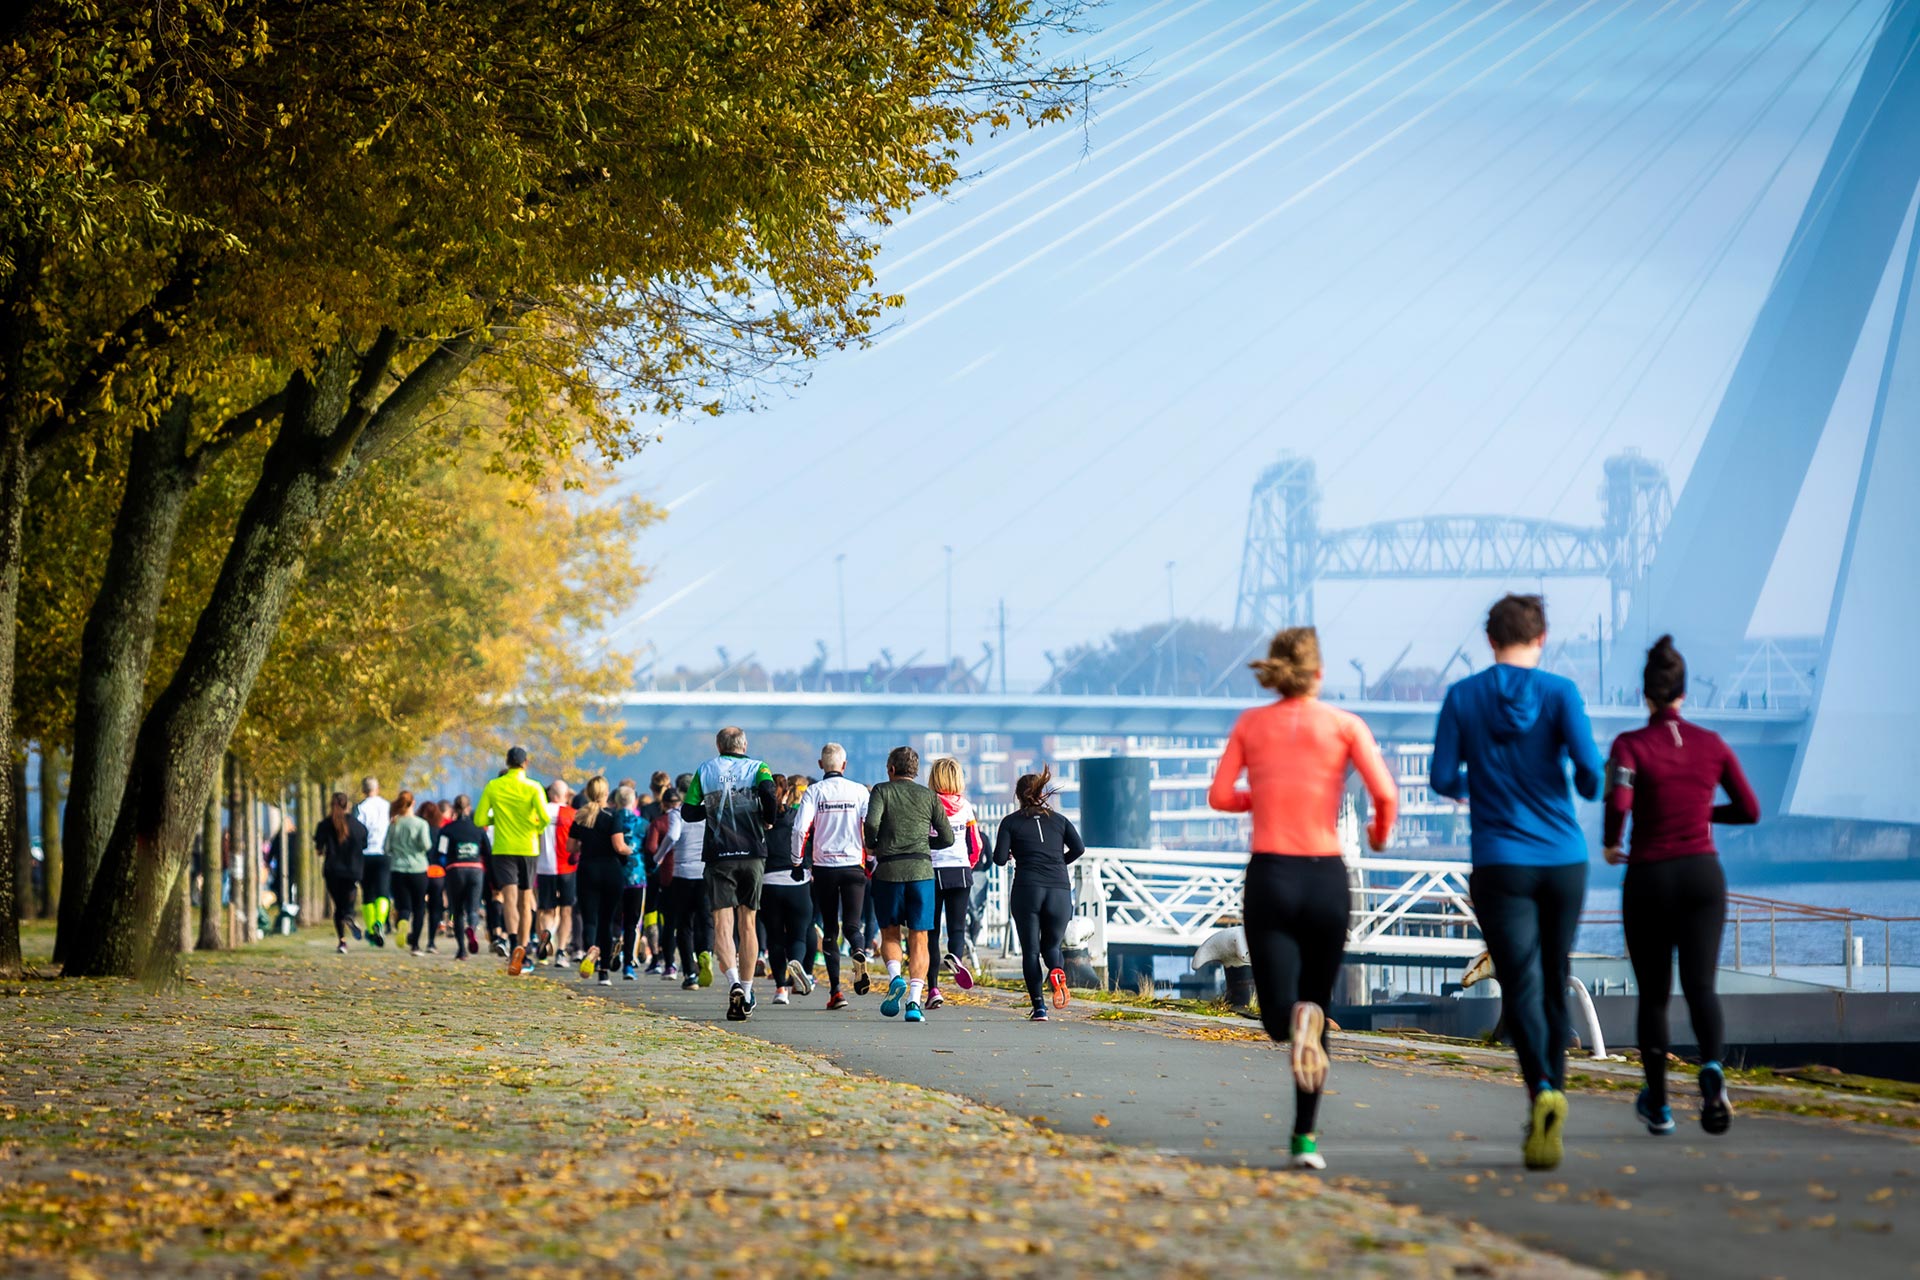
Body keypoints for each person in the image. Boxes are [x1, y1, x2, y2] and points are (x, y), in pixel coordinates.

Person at [1208, 626, 1398, 1172]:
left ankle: (1296, 1026)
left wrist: (1261, 793)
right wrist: (1381, 834)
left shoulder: (1251, 724)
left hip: (1271, 877)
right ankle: (1305, 1140)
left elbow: (1220, 796)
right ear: (1319, 673)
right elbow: (1385, 793)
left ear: (1276, 671)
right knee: (1317, 1003)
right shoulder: (1344, 725)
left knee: (1278, 1017)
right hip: (1326, 880)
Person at [1431, 593, 1604, 1172]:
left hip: (1501, 861)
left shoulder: (1462, 697)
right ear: (1542, 637)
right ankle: (1557, 1082)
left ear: (1489, 640)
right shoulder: (1561, 693)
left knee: (1522, 985)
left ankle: (1542, 1095)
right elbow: (1590, 778)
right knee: (1554, 978)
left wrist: (1477, 784)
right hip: (1563, 859)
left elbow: (1438, 776)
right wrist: (1574, 774)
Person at [1604, 635, 1760, 1138]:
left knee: (1654, 995)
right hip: (1702, 875)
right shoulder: (1712, 745)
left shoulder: (1629, 745)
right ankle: (1713, 1074)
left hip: (1650, 876)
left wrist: (1611, 843)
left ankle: (1661, 1106)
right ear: (1684, 694)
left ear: (1643, 695)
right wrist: (1701, 811)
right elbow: (1750, 810)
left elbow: (1620, 803)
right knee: (1701, 987)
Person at [682, 726, 779, 1021]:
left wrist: (710, 811)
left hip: (718, 854)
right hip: (752, 853)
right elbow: (769, 793)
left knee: (722, 923)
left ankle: (733, 982)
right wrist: (768, 820)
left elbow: (687, 812)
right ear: (744, 744)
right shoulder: (758, 767)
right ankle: (747, 991)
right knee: (747, 923)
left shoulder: (705, 770)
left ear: (718, 745)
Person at [864, 745, 955, 1023]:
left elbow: (871, 824)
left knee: (890, 932)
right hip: (921, 872)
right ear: (915, 772)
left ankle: (895, 978)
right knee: (920, 937)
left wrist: (874, 845)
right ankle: (914, 1002)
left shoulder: (882, 790)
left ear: (891, 769)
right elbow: (948, 837)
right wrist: (926, 845)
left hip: (889, 871)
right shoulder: (929, 796)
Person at [992, 770, 1084, 1022]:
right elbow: (1079, 848)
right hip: (1059, 889)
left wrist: (1013, 853)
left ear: (1018, 796)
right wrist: (1058, 863)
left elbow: (999, 859)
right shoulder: (1060, 820)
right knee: (1052, 946)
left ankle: (1039, 1007)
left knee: (1031, 951)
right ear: (1043, 794)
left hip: (1027, 889)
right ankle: (1056, 970)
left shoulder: (1010, 822)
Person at [795, 744, 871, 1010]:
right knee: (852, 926)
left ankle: (837, 991)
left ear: (820, 764)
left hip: (824, 868)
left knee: (830, 930)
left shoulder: (814, 792)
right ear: (845, 765)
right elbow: (870, 827)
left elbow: (799, 829)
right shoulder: (860, 791)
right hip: (853, 865)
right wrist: (871, 859)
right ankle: (859, 951)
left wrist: (796, 861)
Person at [476, 746, 552, 975]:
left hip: (502, 848)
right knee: (525, 899)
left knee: (508, 900)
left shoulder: (494, 786)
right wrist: (534, 826)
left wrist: (497, 817)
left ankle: (511, 947)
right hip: (528, 847)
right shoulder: (534, 787)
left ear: (507, 763)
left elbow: (480, 818)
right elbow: (546, 818)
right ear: (526, 763)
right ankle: (524, 949)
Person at [926, 756, 980, 1007]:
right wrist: (969, 865)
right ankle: (956, 958)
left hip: (931, 871)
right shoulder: (966, 807)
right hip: (959, 870)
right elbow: (976, 845)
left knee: (931, 932)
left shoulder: (926, 805)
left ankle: (933, 988)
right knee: (957, 928)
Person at [567, 776, 628, 987]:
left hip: (588, 870)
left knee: (589, 917)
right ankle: (603, 972)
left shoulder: (581, 815)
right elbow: (619, 846)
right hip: (611, 871)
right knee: (607, 919)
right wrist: (630, 850)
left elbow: (571, 847)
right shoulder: (613, 815)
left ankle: (590, 949)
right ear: (605, 792)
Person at [761, 775, 814, 1005]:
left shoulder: (759, 820)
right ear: (786, 793)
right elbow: (808, 843)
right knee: (799, 934)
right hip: (797, 882)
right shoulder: (796, 817)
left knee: (774, 938)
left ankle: (780, 989)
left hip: (769, 883)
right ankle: (797, 964)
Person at [663, 779, 711, 990]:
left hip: (682, 873)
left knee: (684, 924)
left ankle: (690, 973)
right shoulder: (710, 812)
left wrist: (658, 858)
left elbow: (673, 836)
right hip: (705, 871)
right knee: (706, 919)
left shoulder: (678, 813)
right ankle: (706, 953)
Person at [436, 795, 491, 961]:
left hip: (455, 871)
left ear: (454, 809)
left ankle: (461, 950)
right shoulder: (479, 830)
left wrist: (446, 865)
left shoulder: (447, 830)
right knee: (473, 908)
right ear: (469, 808)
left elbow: (440, 853)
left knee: (457, 911)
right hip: (475, 870)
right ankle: (472, 928)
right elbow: (487, 852)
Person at [316, 792, 369, 954]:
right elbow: (364, 845)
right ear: (348, 805)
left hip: (332, 870)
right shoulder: (358, 826)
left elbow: (319, 849)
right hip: (352, 870)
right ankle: (349, 915)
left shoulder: (324, 825)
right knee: (348, 899)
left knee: (338, 906)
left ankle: (342, 941)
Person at [385, 791, 435, 955]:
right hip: (418, 869)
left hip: (398, 869)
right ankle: (415, 946)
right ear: (413, 803)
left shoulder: (394, 823)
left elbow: (386, 848)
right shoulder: (421, 824)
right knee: (419, 907)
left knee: (404, 906)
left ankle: (403, 922)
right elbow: (426, 845)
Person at [536, 779, 577, 967]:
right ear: (564, 795)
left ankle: (545, 935)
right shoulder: (573, 815)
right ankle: (561, 951)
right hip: (567, 868)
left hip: (543, 867)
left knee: (545, 909)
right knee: (566, 910)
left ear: (550, 794)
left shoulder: (540, 812)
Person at [610, 785, 650, 978]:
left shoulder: (611, 820)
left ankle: (614, 943)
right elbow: (651, 849)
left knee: (615, 918)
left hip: (615, 874)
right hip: (637, 876)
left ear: (616, 801)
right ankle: (628, 964)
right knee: (633, 922)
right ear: (634, 802)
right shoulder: (643, 824)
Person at [354, 777, 393, 946]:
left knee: (368, 895)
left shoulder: (360, 808)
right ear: (377, 789)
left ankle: (371, 930)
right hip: (384, 854)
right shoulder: (388, 806)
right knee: (383, 892)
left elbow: (357, 830)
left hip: (365, 854)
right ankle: (380, 922)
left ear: (363, 790)